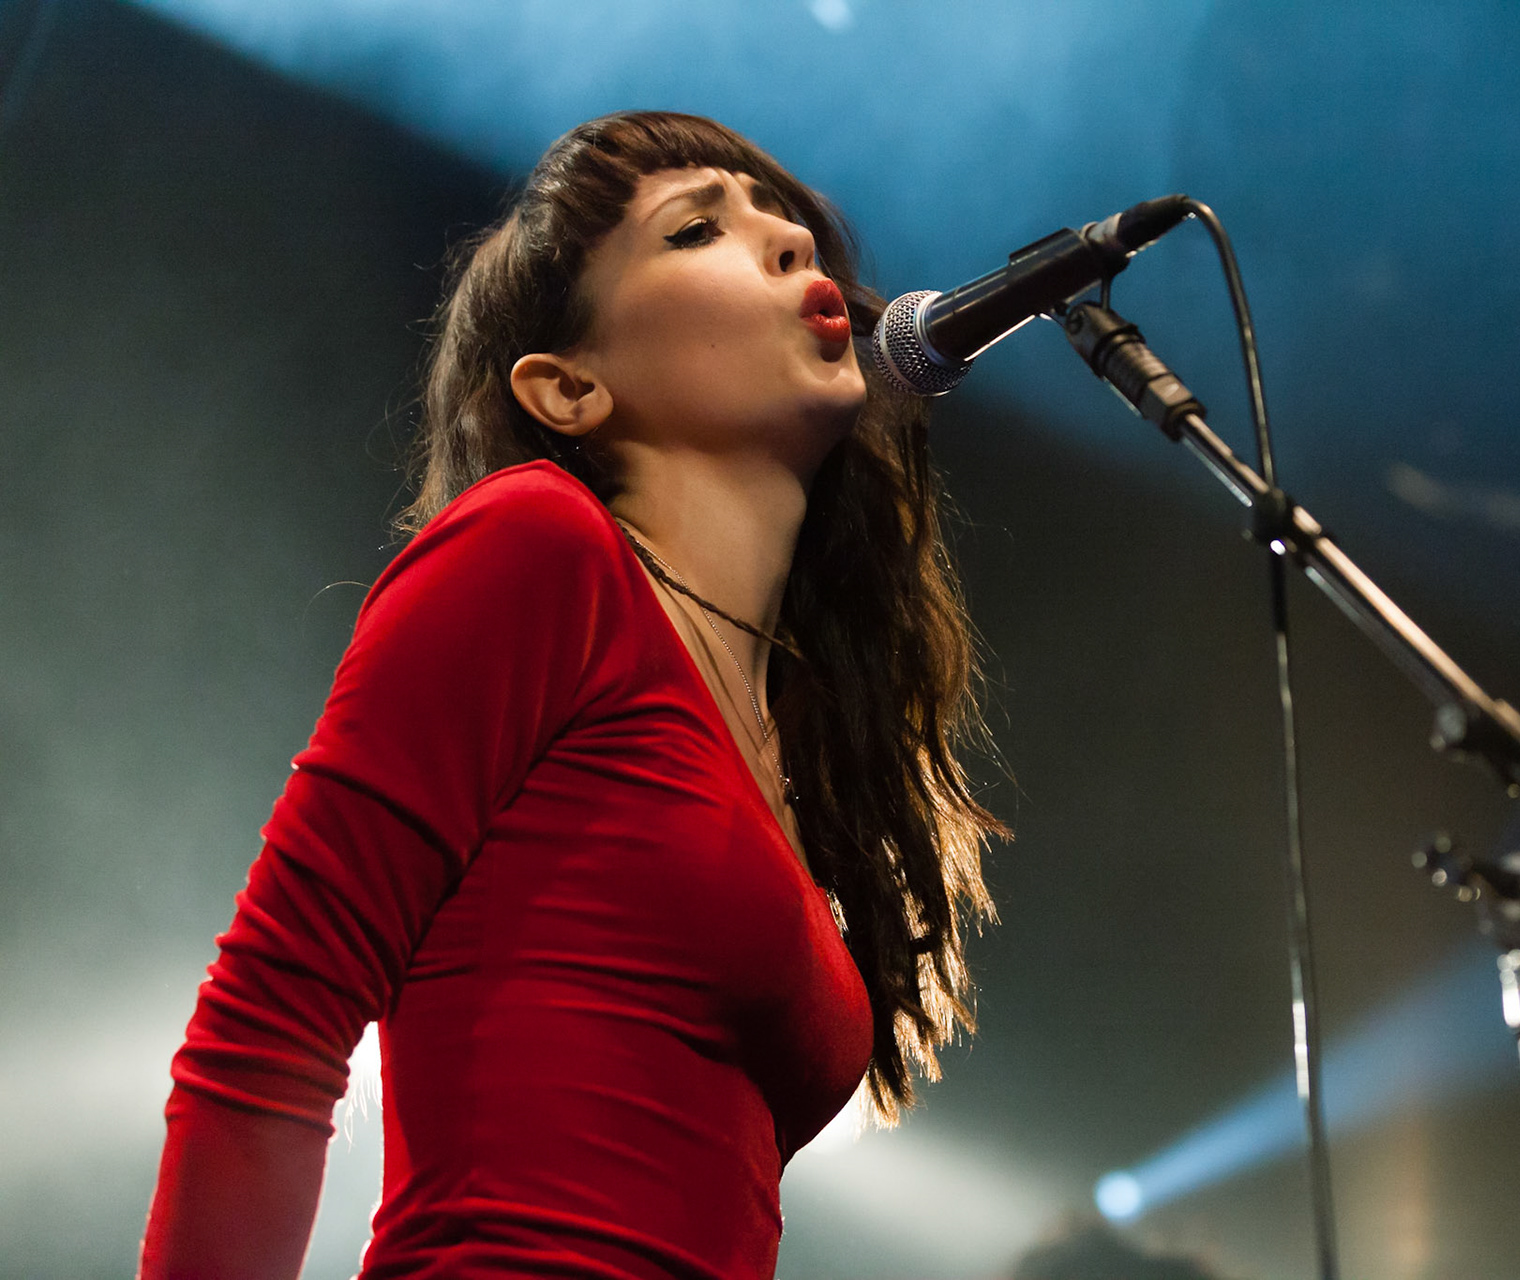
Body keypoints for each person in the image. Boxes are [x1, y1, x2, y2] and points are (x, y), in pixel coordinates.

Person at [137, 110, 1003, 1280]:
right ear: (568, 386)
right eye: (699, 227)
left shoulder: (780, 737)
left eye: (783, 220)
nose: (793, 239)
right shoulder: (537, 547)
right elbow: (264, 1032)